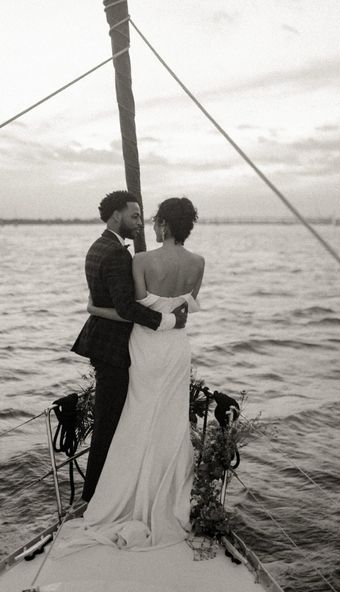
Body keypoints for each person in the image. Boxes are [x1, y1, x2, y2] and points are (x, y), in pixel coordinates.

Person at [61, 196, 204, 555]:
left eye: (153, 220)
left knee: (136, 417)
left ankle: (113, 496)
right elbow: (185, 307)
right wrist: (170, 316)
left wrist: (94, 307)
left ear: (166, 225)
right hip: (176, 349)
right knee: (170, 421)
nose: (146, 225)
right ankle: (164, 495)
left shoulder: (139, 259)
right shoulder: (199, 263)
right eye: (138, 217)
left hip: (145, 348)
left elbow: (134, 305)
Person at [71, 190, 188, 503]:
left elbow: (107, 302)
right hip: (112, 350)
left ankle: (107, 491)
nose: (139, 222)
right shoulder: (116, 254)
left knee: (110, 421)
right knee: (108, 425)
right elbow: (126, 308)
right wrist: (168, 322)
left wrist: (94, 309)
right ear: (115, 215)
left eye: (141, 217)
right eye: (134, 216)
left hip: (102, 343)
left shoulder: (99, 245)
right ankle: (92, 499)